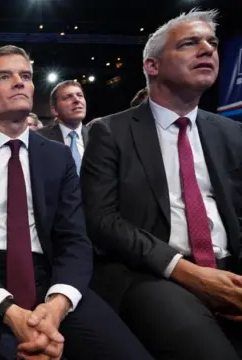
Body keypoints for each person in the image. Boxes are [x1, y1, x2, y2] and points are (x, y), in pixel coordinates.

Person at [0, 44, 153, 360]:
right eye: (5, 76)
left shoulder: (58, 157)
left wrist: (57, 305)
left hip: (49, 276)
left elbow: (75, 240)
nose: (19, 82)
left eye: (26, 75)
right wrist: (10, 311)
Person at [81, 9, 242, 359]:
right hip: (153, 274)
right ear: (151, 66)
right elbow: (102, 220)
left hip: (230, 268)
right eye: (189, 43)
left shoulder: (231, 133)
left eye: (212, 43)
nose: (207, 49)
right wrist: (184, 271)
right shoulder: (109, 131)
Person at [38, 80, 88, 174]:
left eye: (80, 95)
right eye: (67, 97)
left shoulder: (98, 136)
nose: (77, 100)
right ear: (55, 110)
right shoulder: (40, 138)